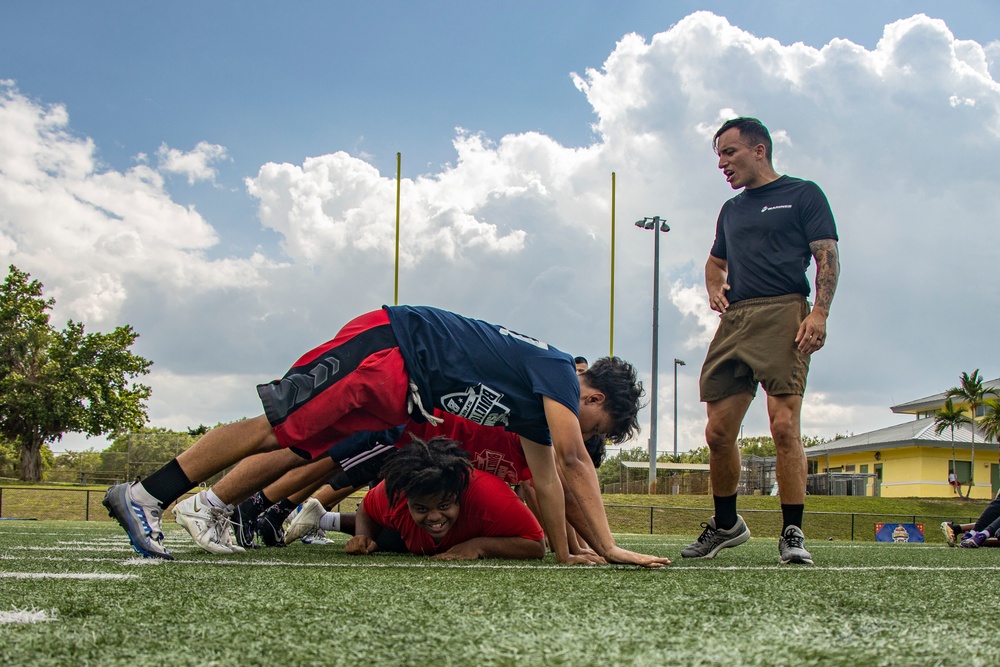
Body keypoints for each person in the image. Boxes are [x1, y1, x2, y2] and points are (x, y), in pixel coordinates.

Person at [103, 304, 670, 568]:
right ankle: (150, 495)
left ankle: (212, 504)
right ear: (592, 398)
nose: (589, 438)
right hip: (391, 348)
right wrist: (611, 547)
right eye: (599, 427)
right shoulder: (554, 371)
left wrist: (569, 553)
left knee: (300, 447)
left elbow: (548, 481)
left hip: (404, 391)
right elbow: (573, 461)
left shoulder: (532, 413)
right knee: (272, 430)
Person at [681, 117, 840, 565]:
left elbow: (826, 257)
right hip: (736, 320)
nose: (722, 164)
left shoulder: (802, 194)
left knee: (784, 426)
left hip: (784, 311)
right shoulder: (731, 210)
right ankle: (727, 524)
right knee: (717, 432)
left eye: (729, 153)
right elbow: (715, 263)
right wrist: (714, 287)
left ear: (758, 150)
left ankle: (792, 532)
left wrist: (819, 312)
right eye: (718, 157)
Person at [322, 436, 545, 560]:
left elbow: (537, 546)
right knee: (384, 541)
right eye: (421, 508)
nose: (435, 517)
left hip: (476, 532)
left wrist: (479, 546)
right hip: (409, 541)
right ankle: (320, 519)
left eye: (444, 505)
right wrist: (363, 536)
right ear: (405, 499)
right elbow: (367, 510)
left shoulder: (489, 496)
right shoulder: (394, 492)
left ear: (458, 495)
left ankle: (321, 519)